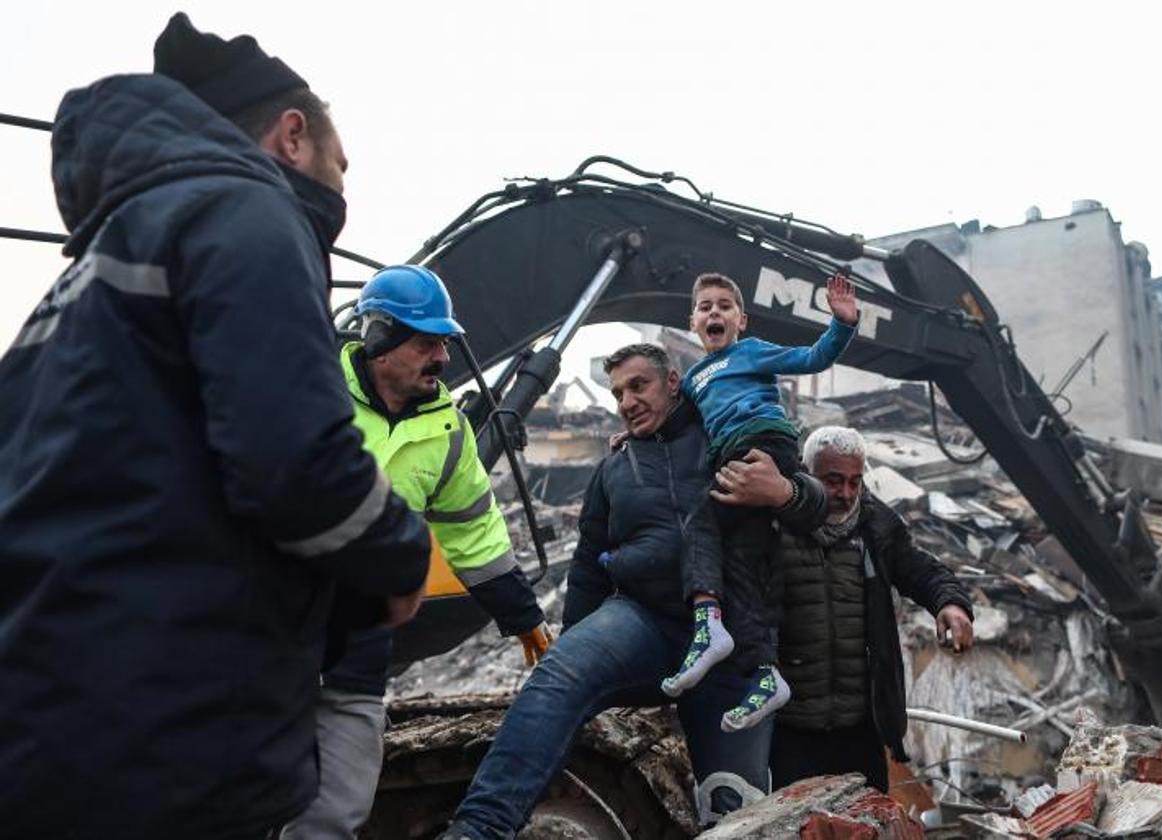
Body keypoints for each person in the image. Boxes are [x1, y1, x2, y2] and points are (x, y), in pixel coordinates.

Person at [0, 14, 433, 840]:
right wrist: (398, 553)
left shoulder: (82, 281)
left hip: (51, 717)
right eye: (343, 167)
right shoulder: (248, 210)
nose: (343, 194)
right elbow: (294, 466)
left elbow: (164, 505)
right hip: (163, 742)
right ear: (293, 136)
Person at [438, 343, 829, 840]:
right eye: (618, 392)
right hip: (643, 620)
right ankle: (480, 828)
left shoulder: (726, 437)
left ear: (673, 382)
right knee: (561, 674)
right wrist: (577, 642)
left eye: (637, 386)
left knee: (734, 804)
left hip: (730, 640)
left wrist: (786, 492)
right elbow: (586, 565)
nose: (626, 401)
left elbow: (819, 506)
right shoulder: (615, 467)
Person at [281, 265, 551, 840]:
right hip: (272, 636)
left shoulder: (446, 430)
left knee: (336, 812)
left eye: (445, 345)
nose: (443, 359)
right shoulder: (303, 389)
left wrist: (523, 616)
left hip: (358, 653)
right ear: (377, 338)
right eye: (426, 343)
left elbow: (473, 530)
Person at [711, 426, 975, 792]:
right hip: (786, 730)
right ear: (804, 472)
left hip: (858, 729)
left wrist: (951, 604)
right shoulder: (768, 524)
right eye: (833, 481)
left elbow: (921, 569)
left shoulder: (875, 526)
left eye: (854, 481)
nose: (846, 494)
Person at [662, 270, 859, 733]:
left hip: (763, 442)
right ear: (693, 321)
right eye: (705, 306)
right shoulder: (693, 379)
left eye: (724, 305)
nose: (715, 312)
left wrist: (843, 325)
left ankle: (708, 622)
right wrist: (625, 434)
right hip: (730, 454)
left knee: (701, 522)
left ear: (741, 320)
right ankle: (767, 675)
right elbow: (677, 424)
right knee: (747, 567)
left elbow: (812, 357)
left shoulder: (750, 352)